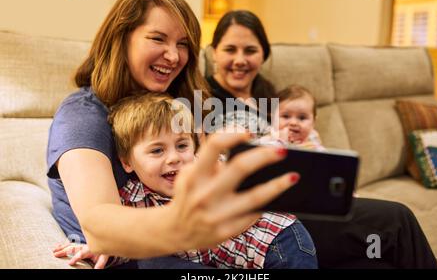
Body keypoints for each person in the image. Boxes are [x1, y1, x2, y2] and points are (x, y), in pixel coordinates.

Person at [46, 0, 298, 269]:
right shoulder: (82, 115)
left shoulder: (178, 104)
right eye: (158, 39)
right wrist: (183, 221)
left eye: (182, 44)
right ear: (121, 39)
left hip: (213, 246)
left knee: (346, 220)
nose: (174, 56)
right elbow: (98, 222)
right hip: (152, 259)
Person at [206, 9, 437, 269]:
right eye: (230, 49)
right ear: (214, 51)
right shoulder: (204, 100)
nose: (240, 60)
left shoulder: (270, 94)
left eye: (250, 50)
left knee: (378, 264)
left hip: (305, 205)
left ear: (263, 54)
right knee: (398, 219)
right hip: (266, 222)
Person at [55, 93, 317, 269]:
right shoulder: (132, 199)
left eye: (182, 145)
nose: (174, 159)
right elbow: (133, 240)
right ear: (127, 162)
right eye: (157, 150)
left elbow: (254, 172)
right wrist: (99, 247)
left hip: (281, 243)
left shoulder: (207, 173)